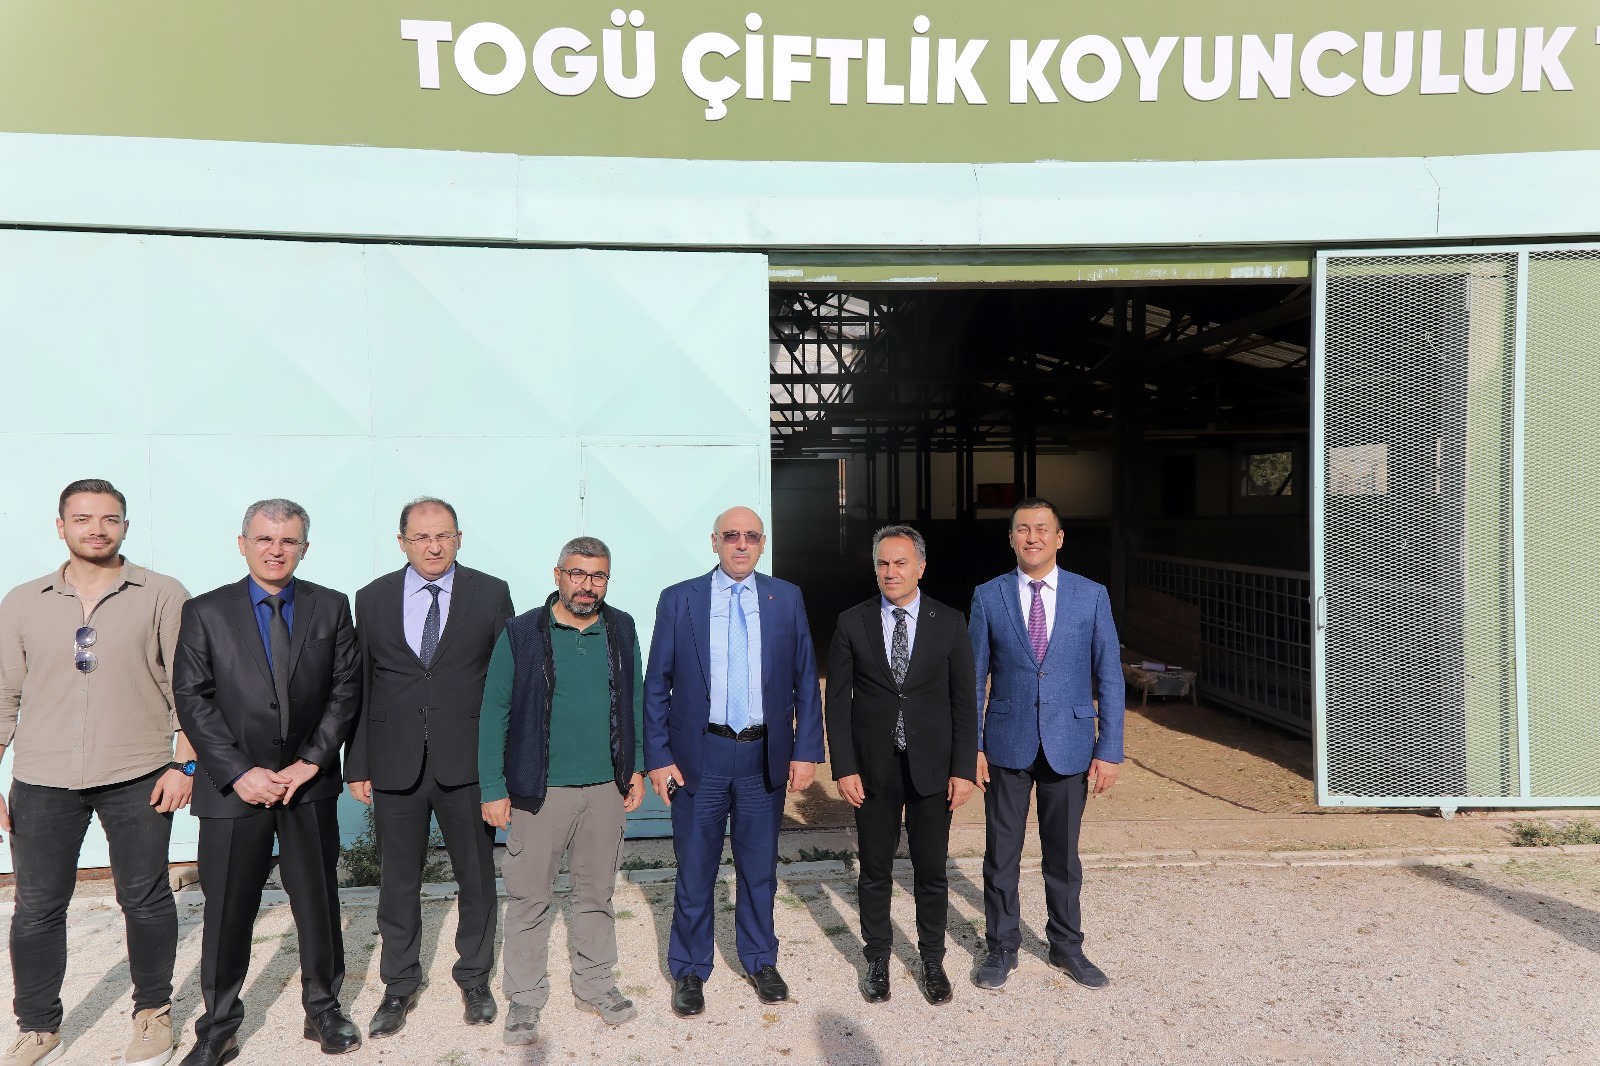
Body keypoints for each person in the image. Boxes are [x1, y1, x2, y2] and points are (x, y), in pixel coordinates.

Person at [0, 479, 194, 1066]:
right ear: (61, 526)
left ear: (125, 527)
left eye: (109, 519)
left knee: (145, 897)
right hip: (42, 776)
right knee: (36, 906)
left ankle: (153, 1013)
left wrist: (185, 763)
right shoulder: (23, 601)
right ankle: (39, 1027)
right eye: (83, 519)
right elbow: (3, 694)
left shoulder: (162, 594)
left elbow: (190, 689)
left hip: (138, 771)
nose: (96, 529)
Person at [172, 499, 362, 1065]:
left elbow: (345, 690)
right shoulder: (205, 611)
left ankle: (323, 1008)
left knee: (317, 901)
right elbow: (193, 698)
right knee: (227, 910)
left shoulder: (331, 606)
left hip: (307, 785)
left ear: (304, 547)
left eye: (288, 541)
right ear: (243, 544)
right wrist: (238, 772)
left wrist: (311, 762)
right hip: (234, 789)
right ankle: (218, 1026)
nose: (276, 550)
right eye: (264, 539)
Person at [644, 506, 824, 1018]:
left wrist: (806, 749)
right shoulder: (680, 598)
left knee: (759, 869)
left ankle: (760, 960)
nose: (740, 544)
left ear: (762, 544)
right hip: (699, 756)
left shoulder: (786, 597)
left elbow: (805, 678)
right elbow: (656, 683)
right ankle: (689, 968)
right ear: (714, 542)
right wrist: (658, 756)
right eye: (731, 536)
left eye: (751, 536)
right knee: (695, 869)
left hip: (763, 757)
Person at [345, 498, 513, 1038]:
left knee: (476, 877)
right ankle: (398, 985)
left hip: (467, 763)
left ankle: (475, 978)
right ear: (402, 542)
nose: (433, 546)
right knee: (398, 881)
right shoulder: (371, 598)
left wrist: (501, 769)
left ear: (459, 537)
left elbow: (506, 686)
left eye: (443, 535)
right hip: (395, 762)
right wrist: (358, 762)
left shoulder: (490, 593)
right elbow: (363, 684)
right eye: (421, 537)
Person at [477, 536, 646, 1046]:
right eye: (577, 574)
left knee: (596, 894)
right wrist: (493, 786)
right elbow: (494, 711)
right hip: (539, 791)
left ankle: (595, 984)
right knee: (530, 898)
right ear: (558, 576)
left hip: (605, 788)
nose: (587, 585)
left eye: (598, 576)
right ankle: (525, 997)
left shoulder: (622, 627)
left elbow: (634, 700)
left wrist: (635, 767)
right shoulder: (522, 632)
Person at [967, 497, 1125, 991]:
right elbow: (972, 679)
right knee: (1001, 855)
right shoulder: (988, 595)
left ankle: (1066, 945)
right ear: (1011, 539)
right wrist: (971, 746)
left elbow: (1110, 675)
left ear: (1059, 537)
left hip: (1070, 742)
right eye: (1022, 529)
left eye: (1041, 528)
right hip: (1005, 743)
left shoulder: (1091, 595)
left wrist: (1109, 748)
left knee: (1063, 857)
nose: (1032, 537)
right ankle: (1002, 946)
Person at [824, 524, 977, 1006]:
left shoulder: (949, 622)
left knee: (931, 870)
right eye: (883, 563)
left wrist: (963, 769)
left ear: (921, 567)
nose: (891, 572)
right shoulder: (853, 621)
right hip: (873, 770)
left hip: (933, 768)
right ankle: (877, 959)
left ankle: (932, 960)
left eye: (900, 562)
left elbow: (964, 703)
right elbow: (837, 703)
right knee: (874, 870)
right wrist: (844, 766)